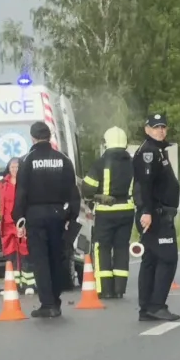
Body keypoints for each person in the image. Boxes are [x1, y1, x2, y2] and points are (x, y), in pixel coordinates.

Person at [12, 121, 80, 318]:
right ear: (49, 136)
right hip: (58, 215)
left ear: (32, 137)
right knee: (56, 258)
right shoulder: (63, 160)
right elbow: (73, 192)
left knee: (40, 260)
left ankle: (47, 304)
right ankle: (56, 301)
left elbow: (21, 193)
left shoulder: (27, 161)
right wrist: (70, 216)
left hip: (35, 215)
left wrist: (19, 218)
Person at [132, 113, 180, 322]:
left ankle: (147, 307)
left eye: (162, 127)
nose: (160, 130)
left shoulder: (158, 150)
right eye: (155, 127)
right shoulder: (148, 153)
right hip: (155, 215)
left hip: (159, 214)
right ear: (147, 129)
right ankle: (157, 305)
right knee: (168, 258)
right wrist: (146, 211)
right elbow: (144, 185)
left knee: (151, 260)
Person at [81, 126, 135, 300]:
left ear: (106, 143)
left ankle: (105, 289)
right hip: (127, 210)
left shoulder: (100, 163)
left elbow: (87, 189)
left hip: (106, 211)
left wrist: (96, 196)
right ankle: (120, 288)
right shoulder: (133, 163)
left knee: (102, 247)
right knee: (121, 247)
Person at [0, 157, 35, 295]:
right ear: (9, 168)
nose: (14, 170)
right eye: (12, 167)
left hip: (22, 223)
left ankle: (29, 284)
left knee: (25, 252)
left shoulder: (26, 184)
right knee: (10, 254)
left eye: (17, 167)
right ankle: (13, 284)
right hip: (6, 224)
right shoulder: (2, 184)